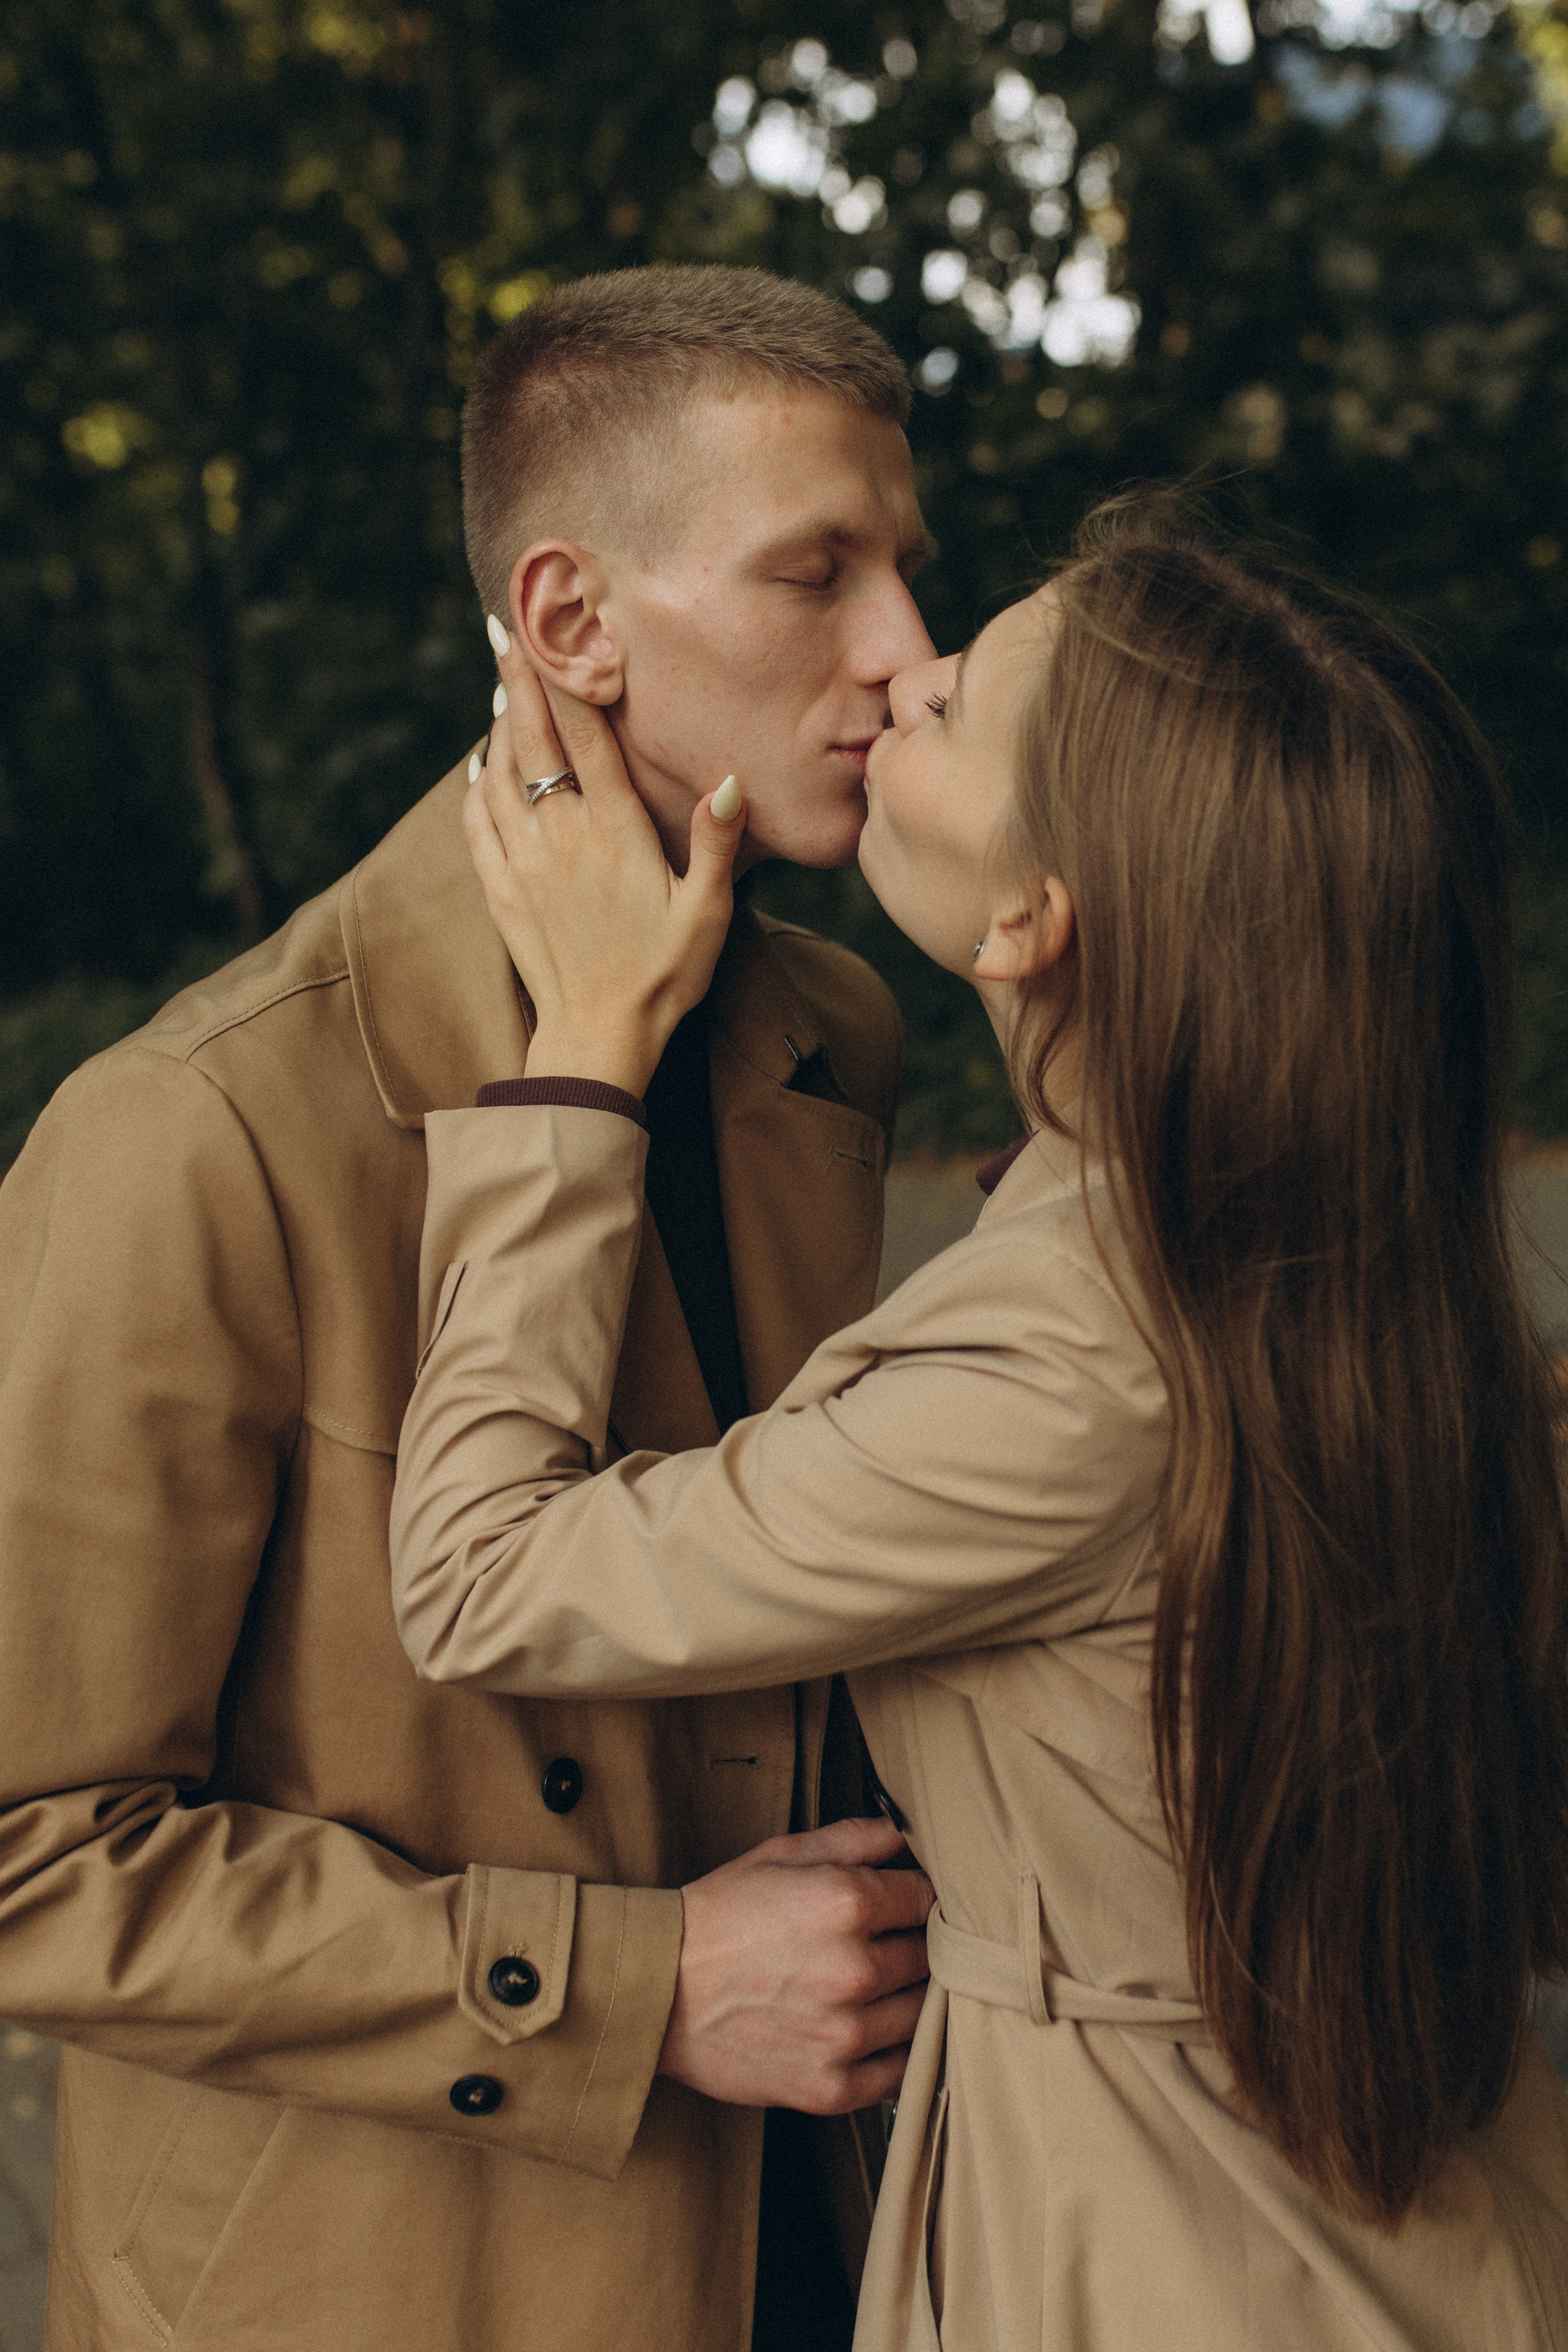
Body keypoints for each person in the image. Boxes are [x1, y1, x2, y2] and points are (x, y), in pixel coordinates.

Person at [390, 494, 1568, 2351]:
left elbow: (479, 1577)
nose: (892, 668)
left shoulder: (1073, 1363)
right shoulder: (1350, 1250)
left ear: (1033, 921)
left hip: (1170, 2254)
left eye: (948, 704)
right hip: (1434, 2219)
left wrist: (582, 1052)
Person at [0, 266, 941, 2352]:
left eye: (907, 573)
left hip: (819, 2232)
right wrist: (639, 1989)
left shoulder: (833, 1036)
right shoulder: (197, 1128)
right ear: (575, 621)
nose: (904, 654)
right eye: (820, 575)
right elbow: (27, 1853)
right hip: (386, 2283)